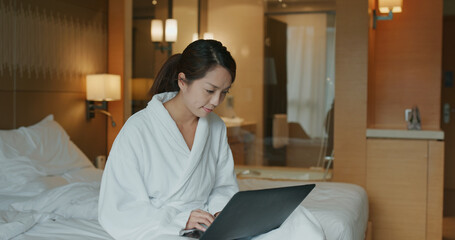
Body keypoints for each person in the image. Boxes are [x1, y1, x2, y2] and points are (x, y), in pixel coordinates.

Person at [98, 39, 239, 239]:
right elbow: (119, 208)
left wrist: (218, 214)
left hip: (206, 225)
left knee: (296, 221)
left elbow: (223, 186)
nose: (216, 101)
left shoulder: (216, 126)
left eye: (224, 92)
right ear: (182, 81)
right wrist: (181, 219)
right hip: (159, 226)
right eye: (210, 90)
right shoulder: (138, 129)